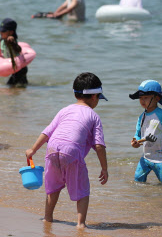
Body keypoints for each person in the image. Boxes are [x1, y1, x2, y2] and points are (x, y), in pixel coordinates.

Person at [26, 72, 108, 229]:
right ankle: (80, 224)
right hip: (71, 152)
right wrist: (104, 168)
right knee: (83, 190)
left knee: (53, 187)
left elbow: (47, 132)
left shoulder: (65, 110)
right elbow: (99, 145)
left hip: (52, 149)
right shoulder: (94, 116)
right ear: (94, 97)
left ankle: (48, 218)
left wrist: (33, 149)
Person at [129, 80, 162, 184]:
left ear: (157, 98)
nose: (142, 101)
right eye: (141, 98)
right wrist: (136, 142)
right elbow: (138, 134)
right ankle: (141, 199)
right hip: (146, 157)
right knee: (138, 180)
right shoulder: (142, 117)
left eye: (146, 98)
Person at [0, 18, 28, 85]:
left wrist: (12, 43)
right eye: (0, 30)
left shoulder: (12, 41)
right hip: (14, 69)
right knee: (21, 85)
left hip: (20, 69)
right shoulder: (1, 41)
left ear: (11, 32)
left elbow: (19, 50)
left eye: (3, 31)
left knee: (11, 86)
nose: (0, 32)